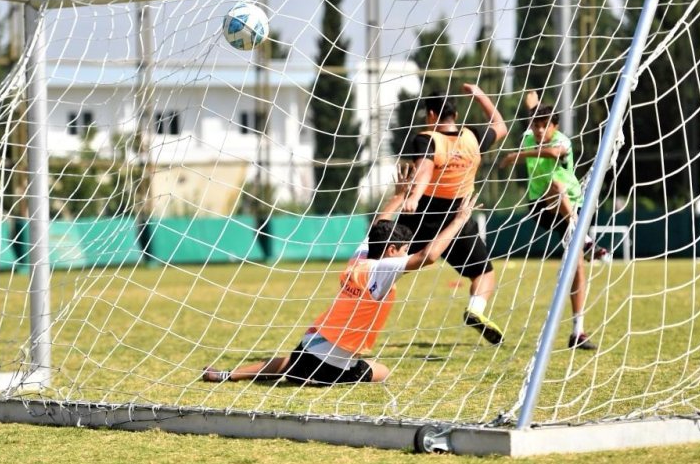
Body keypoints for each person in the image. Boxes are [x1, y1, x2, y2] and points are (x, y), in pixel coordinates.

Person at [201, 165, 479, 385]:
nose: (406, 253)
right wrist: (458, 220)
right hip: (329, 367)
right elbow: (427, 256)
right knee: (383, 371)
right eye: (403, 249)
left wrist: (397, 198)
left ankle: (228, 374)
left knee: (291, 362)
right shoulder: (383, 269)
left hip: (305, 348)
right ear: (392, 249)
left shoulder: (360, 258)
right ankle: (316, 378)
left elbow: (377, 226)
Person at [400, 84, 507, 345]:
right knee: (484, 273)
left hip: (424, 213)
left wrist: (413, 197)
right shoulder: (473, 137)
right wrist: (480, 95)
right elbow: (501, 126)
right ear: (456, 116)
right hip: (457, 216)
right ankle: (475, 310)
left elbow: (424, 169)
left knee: (388, 265)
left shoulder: (426, 138)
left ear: (432, 116)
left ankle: (358, 302)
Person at [499, 90, 603, 350]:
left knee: (577, 266)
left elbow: (554, 153)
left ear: (555, 127)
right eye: (536, 125)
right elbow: (534, 113)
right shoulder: (529, 136)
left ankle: (578, 331)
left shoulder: (562, 142)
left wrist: (516, 156)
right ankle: (586, 239)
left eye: (545, 126)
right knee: (554, 185)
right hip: (541, 207)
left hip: (572, 207)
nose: (539, 130)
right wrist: (532, 104)